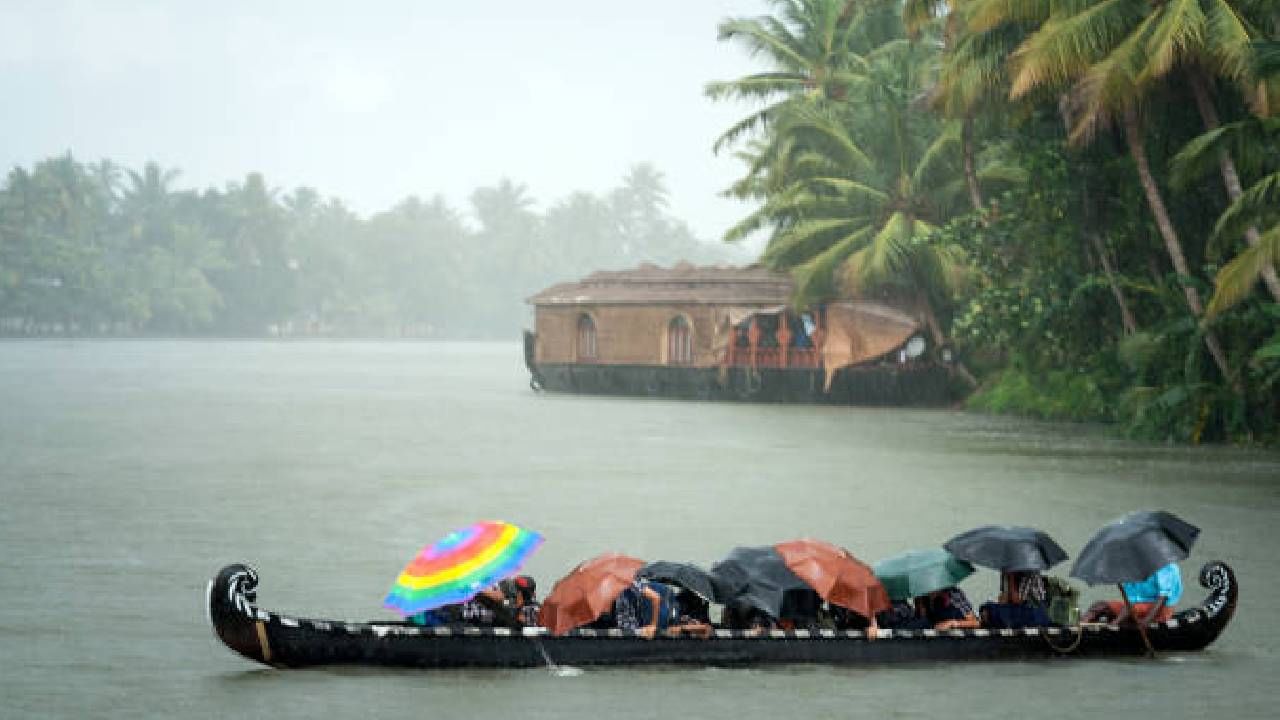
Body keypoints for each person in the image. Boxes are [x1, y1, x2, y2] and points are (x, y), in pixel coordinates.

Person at [1082, 562, 1182, 625]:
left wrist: (1147, 620)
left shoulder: (1166, 565)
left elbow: (1163, 598)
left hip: (1161, 609)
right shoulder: (1131, 567)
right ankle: (1081, 626)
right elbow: (1130, 600)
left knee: (1130, 609)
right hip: (1135, 608)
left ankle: (1114, 625)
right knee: (1099, 605)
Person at [979, 571, 1052, 628]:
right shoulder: (1006, 572)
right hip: (1016, 608)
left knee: (1005, 613)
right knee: (988, 609)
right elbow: (1003, 600)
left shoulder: (1030, 573)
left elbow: (1017, 600)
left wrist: (1011, 577)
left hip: (1033, 610)